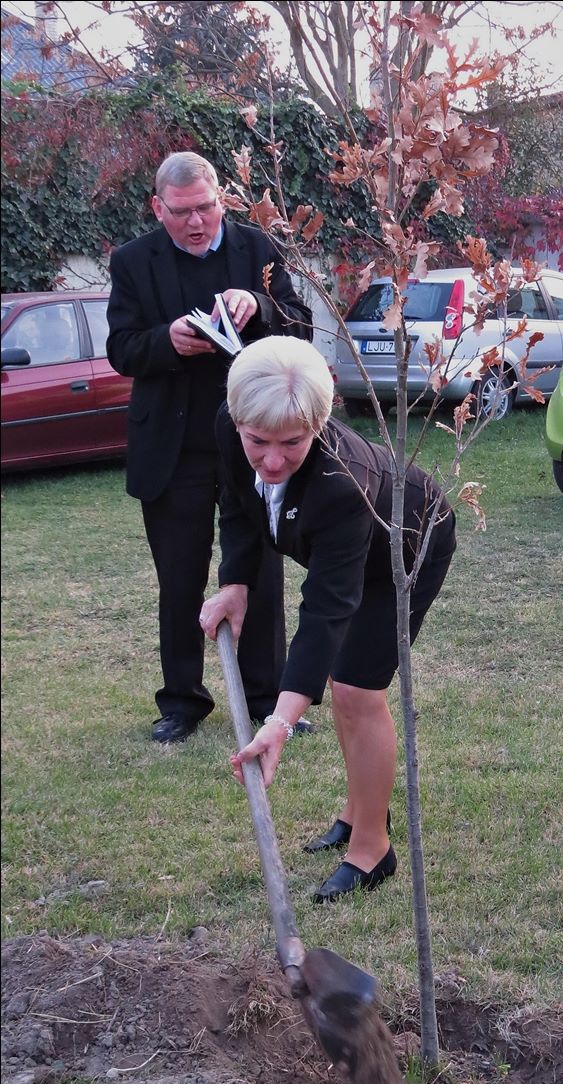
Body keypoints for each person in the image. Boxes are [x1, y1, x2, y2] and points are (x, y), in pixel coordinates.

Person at [199, 337, 457, 902]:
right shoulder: (231, 422)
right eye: (257, 441)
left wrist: (281, 721)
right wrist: (235, 582)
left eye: (292, 443)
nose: (271, 460)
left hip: (405, 549)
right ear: (238, 420)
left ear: (318, 424)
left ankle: (372, 848)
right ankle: (359, 809)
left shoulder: (343, 483)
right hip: (352, 555)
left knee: (358, 690)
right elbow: (237, 501)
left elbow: (325, 610)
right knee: (345, 685)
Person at [106, 151, 313, 744]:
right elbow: (122, 349)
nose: (196, 222)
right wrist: (166, 341)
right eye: (181, 212)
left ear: (221, 199)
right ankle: (182, 703)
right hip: (174, 449)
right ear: (158, 208)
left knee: (260, 571)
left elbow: (301, 323)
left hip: (253, 443)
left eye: (206, 207)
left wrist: (261, 307)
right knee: (180, 577)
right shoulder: (132, 261)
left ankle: (267, 699)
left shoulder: (257, 248)